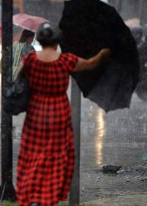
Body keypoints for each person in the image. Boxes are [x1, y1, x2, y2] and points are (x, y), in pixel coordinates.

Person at [14, 23, 110, 206]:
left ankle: (30, 192)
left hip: (36, 113)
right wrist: (103, 53)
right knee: (56, 157)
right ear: (57, 41)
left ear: (40, 39)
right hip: (58, 113)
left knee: (32, 154)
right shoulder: (66, 60)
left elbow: (18, 80)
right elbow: (91, 63)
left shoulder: (31, 59)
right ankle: (49, 197)